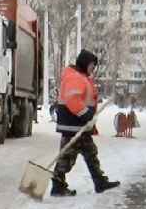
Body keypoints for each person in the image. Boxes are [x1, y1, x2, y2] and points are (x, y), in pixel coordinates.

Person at [51, 49, 120, 197]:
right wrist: (87, 115)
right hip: (73, 125)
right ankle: (58, 185)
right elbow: (72, 99)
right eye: (92, 65)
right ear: (85, 63)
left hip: (78, 125)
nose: (93, 68)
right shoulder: (76, 77)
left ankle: (99, 181)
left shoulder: (81, 77)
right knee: (67, 157)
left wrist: (88, 118)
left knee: (90, 152)